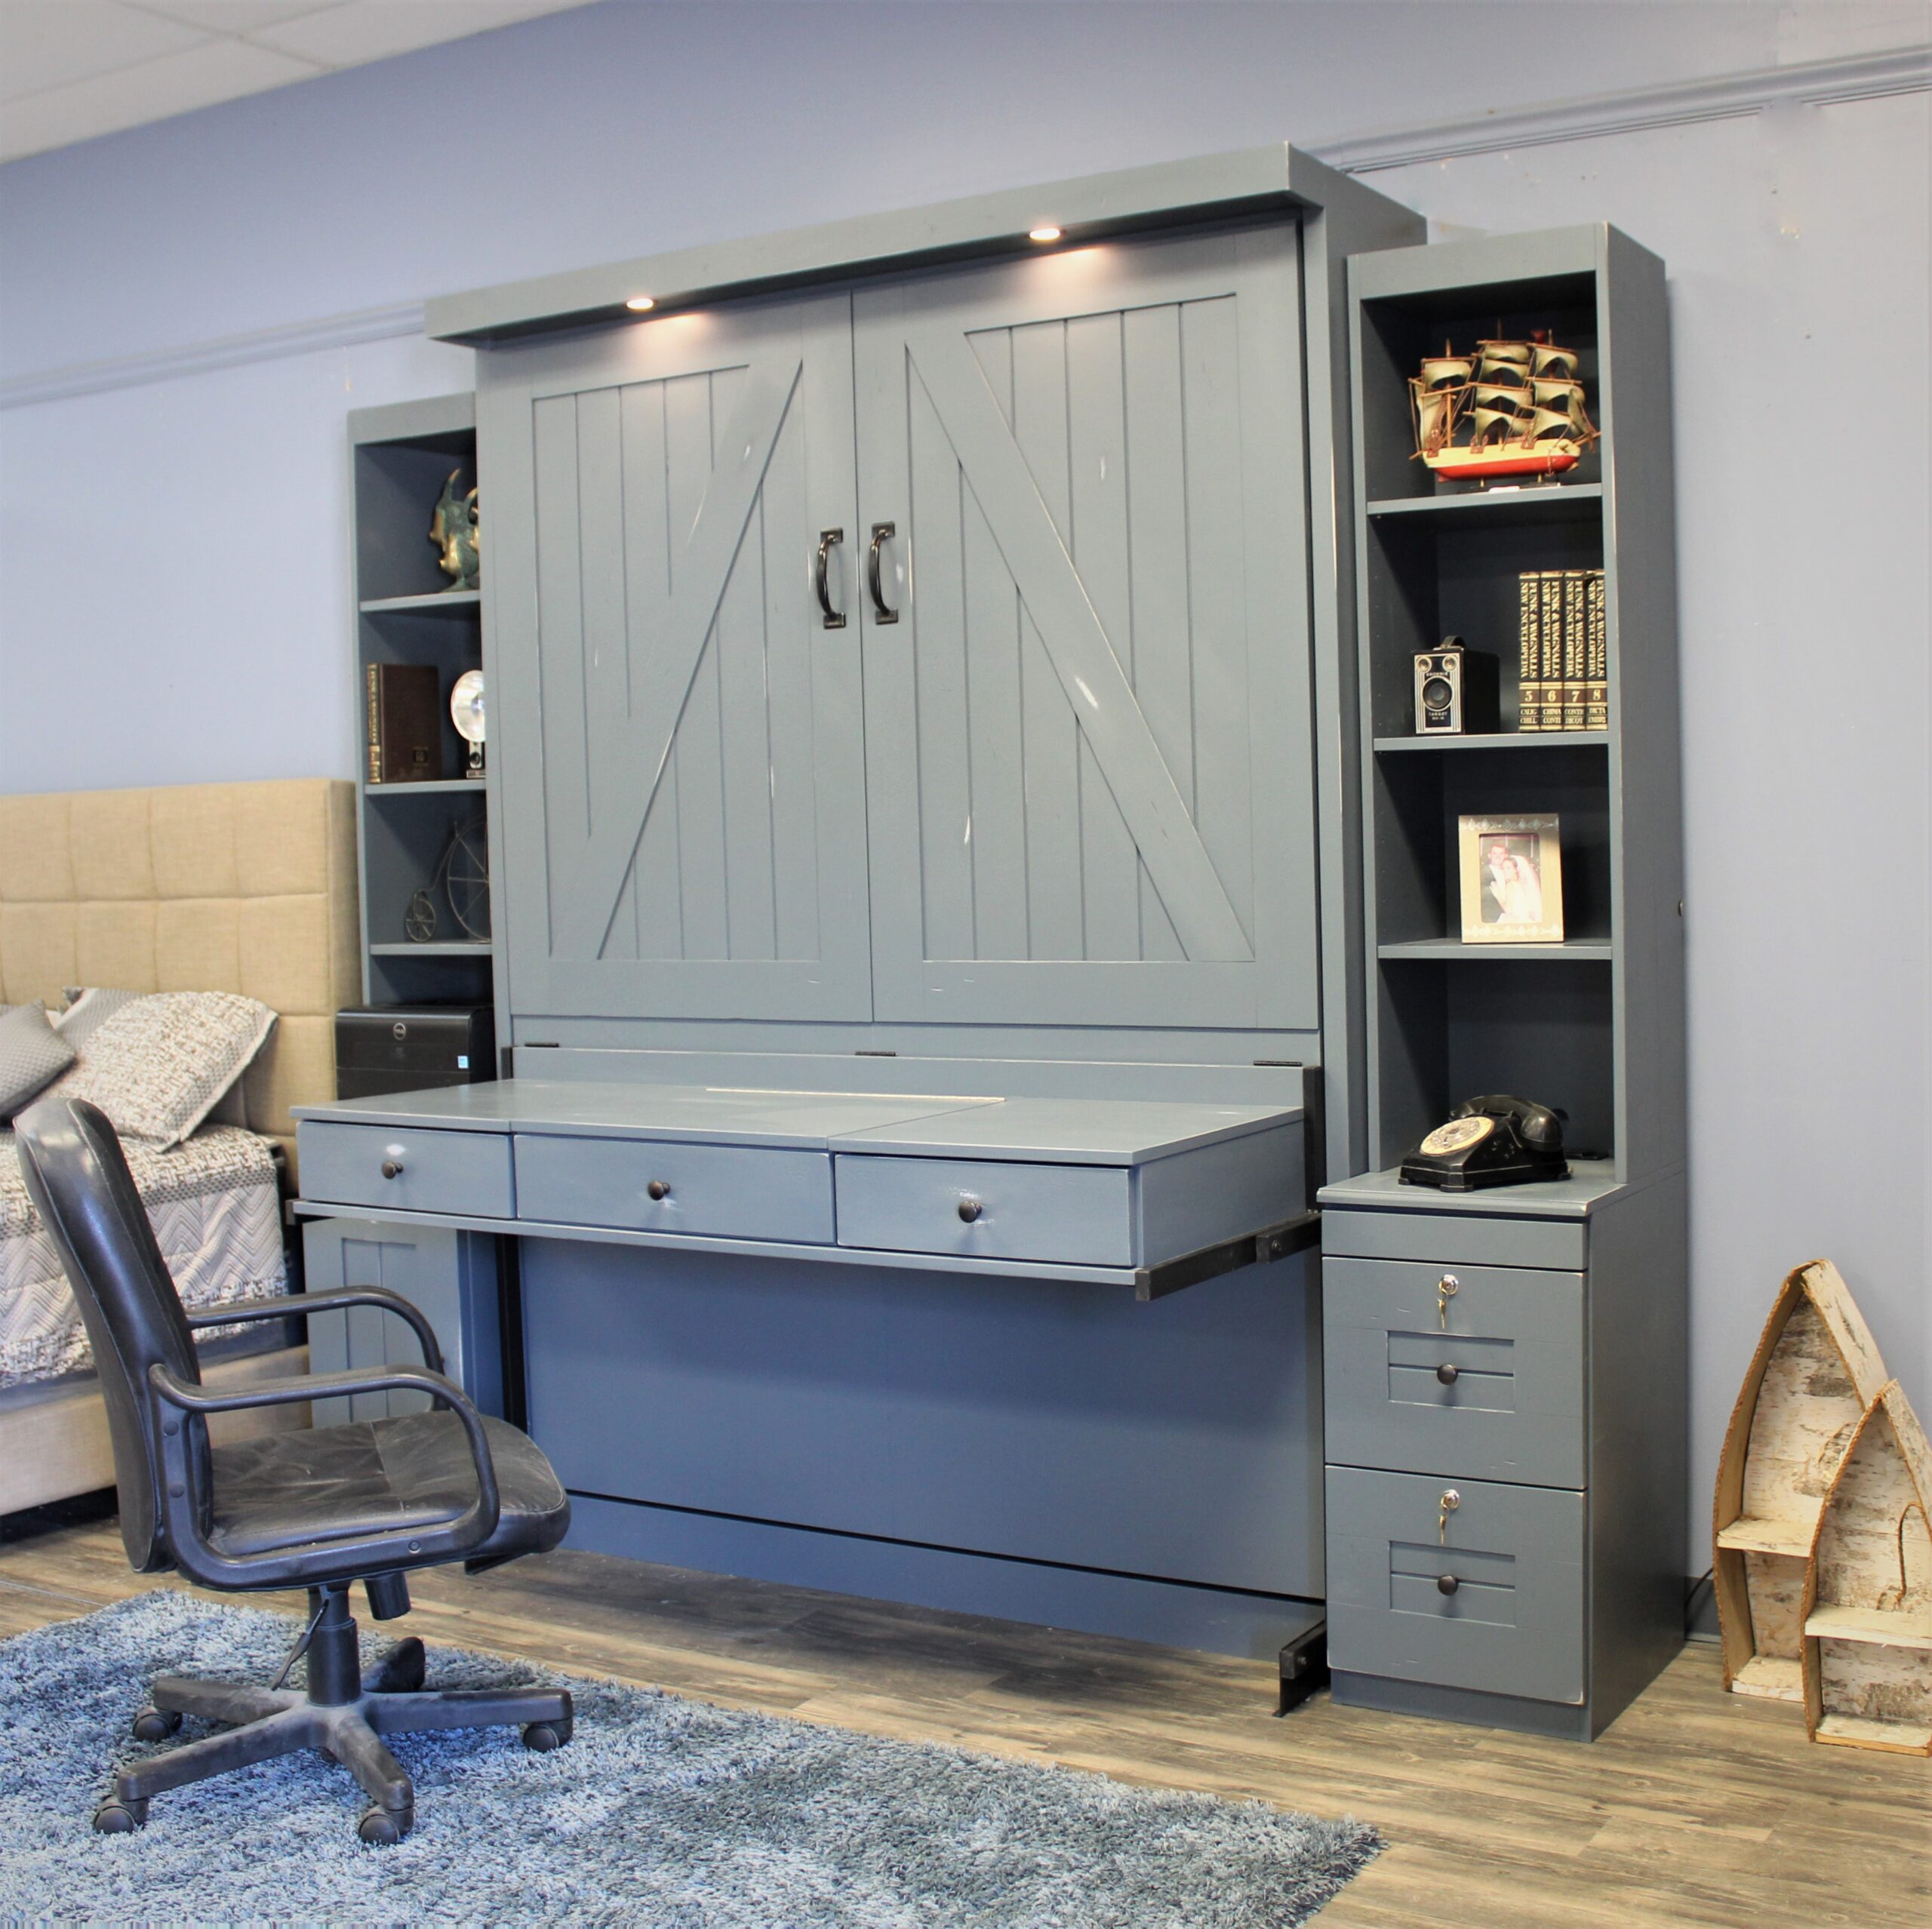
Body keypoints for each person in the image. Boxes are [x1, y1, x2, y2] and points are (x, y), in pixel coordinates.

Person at [1485, 838, 1543, 925]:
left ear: (1516, 870)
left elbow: (1509, 911)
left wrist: (1498, 896)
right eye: (1503, 868)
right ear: (1489, 855)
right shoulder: (1520, 884)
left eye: (1508, 868)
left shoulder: (1511, 885)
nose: (1505, 871)